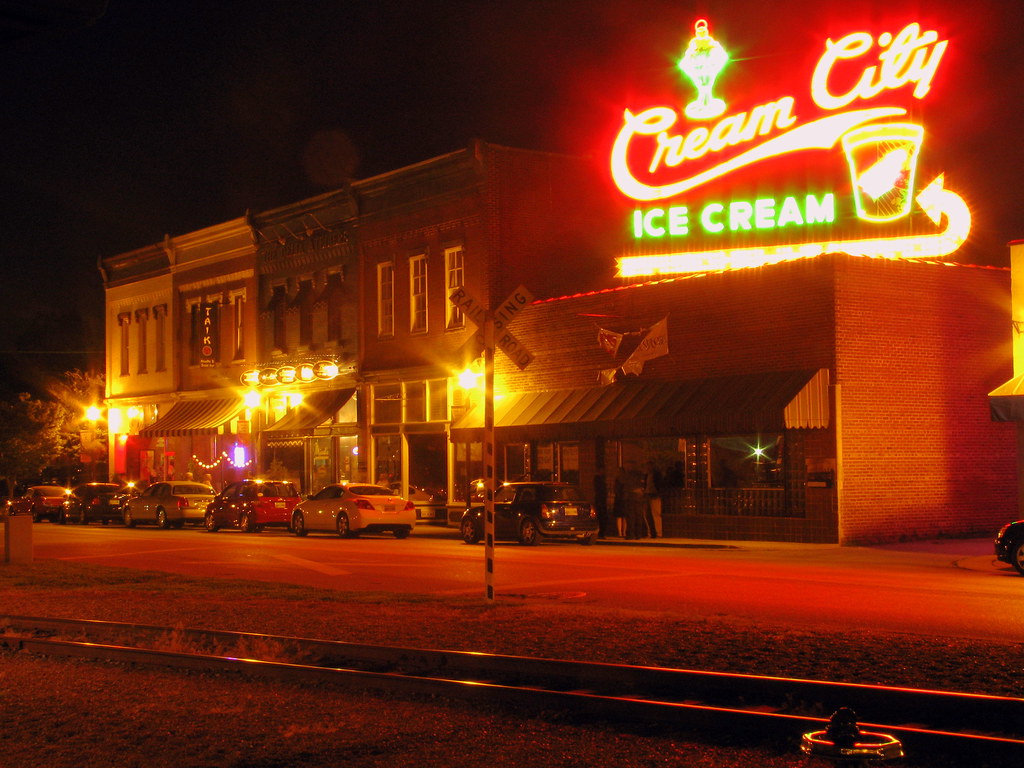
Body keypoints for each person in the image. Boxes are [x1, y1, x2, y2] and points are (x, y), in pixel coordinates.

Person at [643, 461, 663, 538]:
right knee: (646, 515)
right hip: (648, 495)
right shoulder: (647, 475)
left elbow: (659, 484)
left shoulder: (656, 475)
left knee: (656, 514)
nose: (648, 468)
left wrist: (658, 493)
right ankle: (651, 532)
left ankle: (658, 533)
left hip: (654, 495)